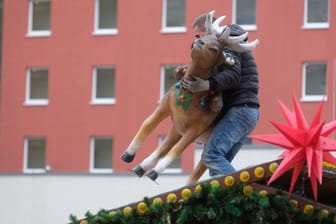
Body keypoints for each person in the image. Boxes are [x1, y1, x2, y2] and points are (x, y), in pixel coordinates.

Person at [181, 13, 260, 177]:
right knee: (217, 167)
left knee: (211, 156)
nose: (197, 41)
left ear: (208, 29)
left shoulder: (228, 44)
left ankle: (244, 189)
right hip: (246, 112)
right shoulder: (228, 45)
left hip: (240, 111)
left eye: (199, 35)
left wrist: (207, 84)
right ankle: (227, 200)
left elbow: (233, 75)